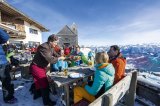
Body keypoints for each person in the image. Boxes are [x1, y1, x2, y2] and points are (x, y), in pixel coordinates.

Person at [30, 34, 65, 106]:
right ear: (50, 41)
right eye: (55, 42)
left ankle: (37, 94)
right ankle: (46, 102)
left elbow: (56, 55)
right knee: (44, 83)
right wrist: (59, 59)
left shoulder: (51, 47)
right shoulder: (44, 47)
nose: (56, 44)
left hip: (42, 67)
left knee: (40, 82)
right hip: (36, 67)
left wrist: (65, 57)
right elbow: (50, 59)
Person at [0, 28, 17, 104]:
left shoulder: (8, 45)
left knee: (6, 81)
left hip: (3, 62)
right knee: (6, 81)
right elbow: (5, 37)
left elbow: (5, 37)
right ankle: (8, 98)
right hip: (2, 62)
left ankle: (8, 97)